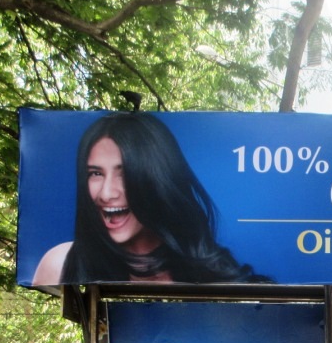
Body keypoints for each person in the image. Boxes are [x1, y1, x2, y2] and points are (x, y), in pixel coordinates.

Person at [32, 112, 270, 285]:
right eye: (95, 173)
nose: (106, 193)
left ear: (157, 178)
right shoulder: (60, 264)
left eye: (124, 173)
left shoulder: (212, 278)